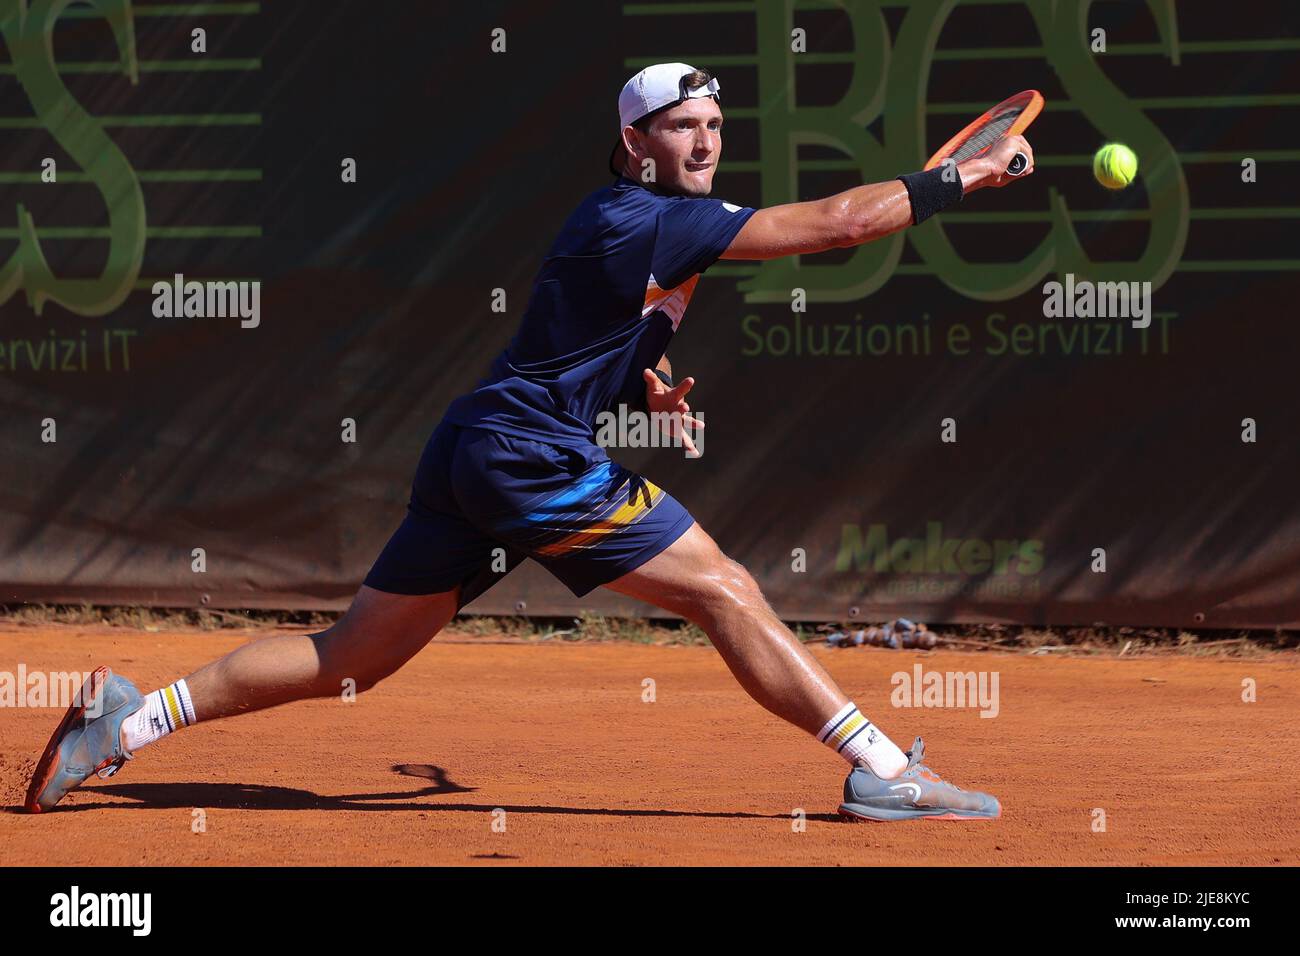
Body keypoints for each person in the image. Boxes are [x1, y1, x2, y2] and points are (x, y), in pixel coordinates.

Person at [26, 63, 1033, 821]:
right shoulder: (650, 215)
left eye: (717, 125)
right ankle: (883, 771)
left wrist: (647, 372)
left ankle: (128, 716)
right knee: (723, 586)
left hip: (474, 446)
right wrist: (960, 177)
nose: (706, 141)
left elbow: (620, 320)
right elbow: (837, 225)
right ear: (636, 139)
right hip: (526, 456)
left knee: (352, 659)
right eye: (683, 126)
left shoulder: (636, 222)